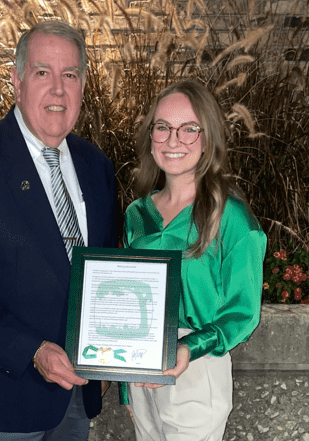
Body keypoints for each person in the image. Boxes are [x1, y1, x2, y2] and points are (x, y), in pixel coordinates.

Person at [0, 20, 117, 440]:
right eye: (43, 72)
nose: (58, 89)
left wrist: (108, 362)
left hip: (79, 394)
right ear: (17, 80)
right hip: (4, 399)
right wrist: (30, 350)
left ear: (83, 86)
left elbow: (103, 272)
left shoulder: (95, 166)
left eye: (70, 75)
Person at [120, 79, 267, 440]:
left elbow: (243, 312)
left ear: (207, 138)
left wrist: (190, 346)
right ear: (150, 136)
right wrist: (125, 383)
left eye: (189, 129)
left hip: (195, 368)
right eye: (163, 127)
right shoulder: (137, 214)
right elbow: (125, 298)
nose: (173, 140)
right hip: (142, 366)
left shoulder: (231, 219)